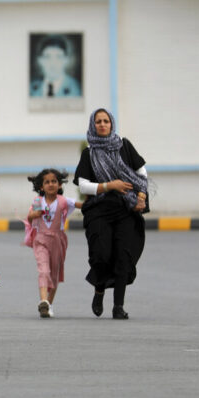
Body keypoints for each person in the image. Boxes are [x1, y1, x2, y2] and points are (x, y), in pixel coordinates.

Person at [73, 108, 148, 320]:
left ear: (112, 124)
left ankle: (118, 306)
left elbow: (141, 173)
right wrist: (110, 185)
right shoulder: (89, 153)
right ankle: (99, 290)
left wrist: (141, 196)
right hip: (99, 210)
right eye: (98, 121)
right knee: (101, 255)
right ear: (93, 125)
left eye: (106, 121)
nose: (103, 124)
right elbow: (84, 185)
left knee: (123, 256)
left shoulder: (124, 146)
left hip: (125, 209)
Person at [24, 169, 82, 318]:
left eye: (54, 181)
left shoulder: (64, 201)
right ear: (41, 187)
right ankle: (43, 300)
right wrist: (33, 215)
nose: (51, 184)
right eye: (47, 182)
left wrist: (96, 199)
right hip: (41, 239)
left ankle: (48, 304)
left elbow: (81, 205)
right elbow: (30, 219)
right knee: (44, 270)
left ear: (60, 185)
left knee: (55, 274)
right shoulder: (38, 202)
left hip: (58, 240)